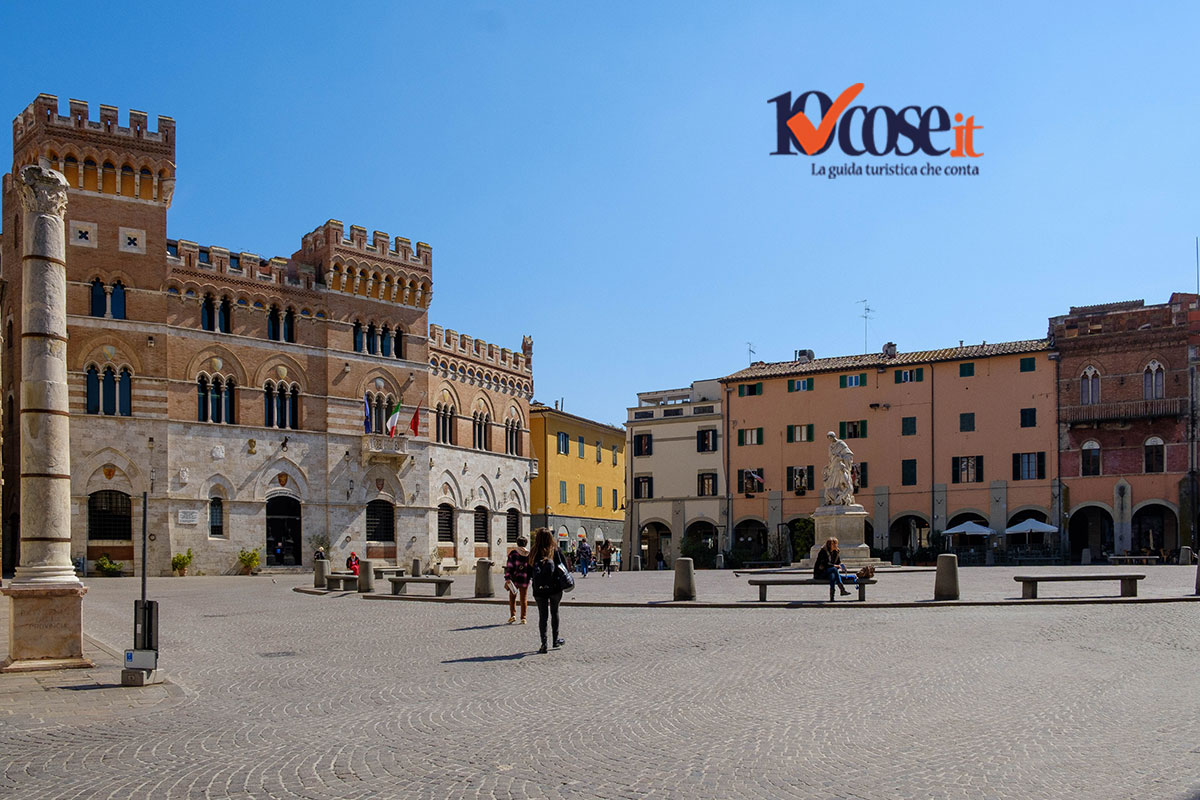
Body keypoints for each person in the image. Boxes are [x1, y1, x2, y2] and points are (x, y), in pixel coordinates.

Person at [529, 527, 566, 654]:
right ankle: (555, 640)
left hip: (539, 590)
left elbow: (529, 572)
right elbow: (564, 568)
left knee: (542, 616)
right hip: (555, 588)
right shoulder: (555, 551)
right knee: (554, 613)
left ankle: (543, 644)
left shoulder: (533, 552)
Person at [504, 535, 532, 624]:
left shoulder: (513, 554)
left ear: (517, 543)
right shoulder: (529, 554)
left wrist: (507, 578)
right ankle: (523, 618)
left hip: (514, 579)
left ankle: (513, 615)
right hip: (525, 579)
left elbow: (509, 567)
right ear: (526, 543)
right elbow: (531, 568)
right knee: (523, 599)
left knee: (512, 598)